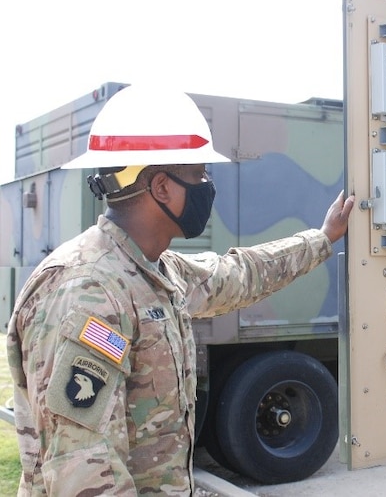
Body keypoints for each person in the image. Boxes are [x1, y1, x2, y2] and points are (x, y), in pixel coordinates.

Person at [6, 84, 354, 496]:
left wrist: (323, 238)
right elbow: (83, 472)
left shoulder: (155, 270)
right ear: (162, 187)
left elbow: (238, 273)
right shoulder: (89, 292)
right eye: (199, 175)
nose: (208, 185)